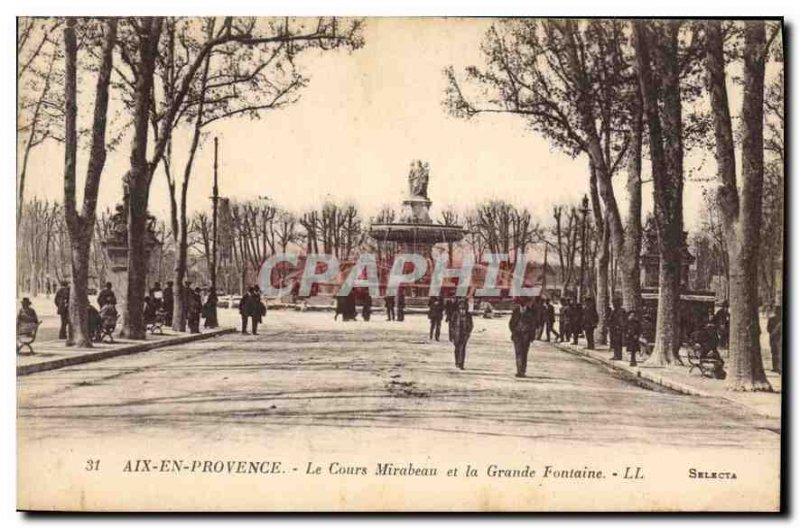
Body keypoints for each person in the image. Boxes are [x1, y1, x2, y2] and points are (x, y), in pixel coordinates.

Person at [509, 297, 536, 378]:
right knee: (518, 353)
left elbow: (533, 325)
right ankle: (519, 370)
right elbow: (511, 323)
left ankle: (523, 370)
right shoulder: (516, 311)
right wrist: (514, 331)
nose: (523, 304)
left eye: (524, 302)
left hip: (526, 336)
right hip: (517, 335)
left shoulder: (531, 312)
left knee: (524, 353)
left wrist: (532, 336)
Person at [450, 297, 473, 370]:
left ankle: (461, 364)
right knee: (457, 349)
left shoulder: (468, 315)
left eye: (464, 309)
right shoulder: (455, 315)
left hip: (464, 335)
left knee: (462, 349)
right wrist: (451, 335)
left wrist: (468, 333)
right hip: (456, 334)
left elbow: (471, 325)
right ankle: (457, 362)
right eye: (461, 309)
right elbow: (451, 326)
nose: (462, 310)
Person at [768, 306, 782, 374]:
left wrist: (772, 333)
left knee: (776, 352)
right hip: (774, 338)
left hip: (775, 338)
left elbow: (768, 329)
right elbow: (768, 328)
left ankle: (777, 368)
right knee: (774, 352)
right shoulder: (771, 319)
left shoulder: (772, 319)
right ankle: (775, 367)